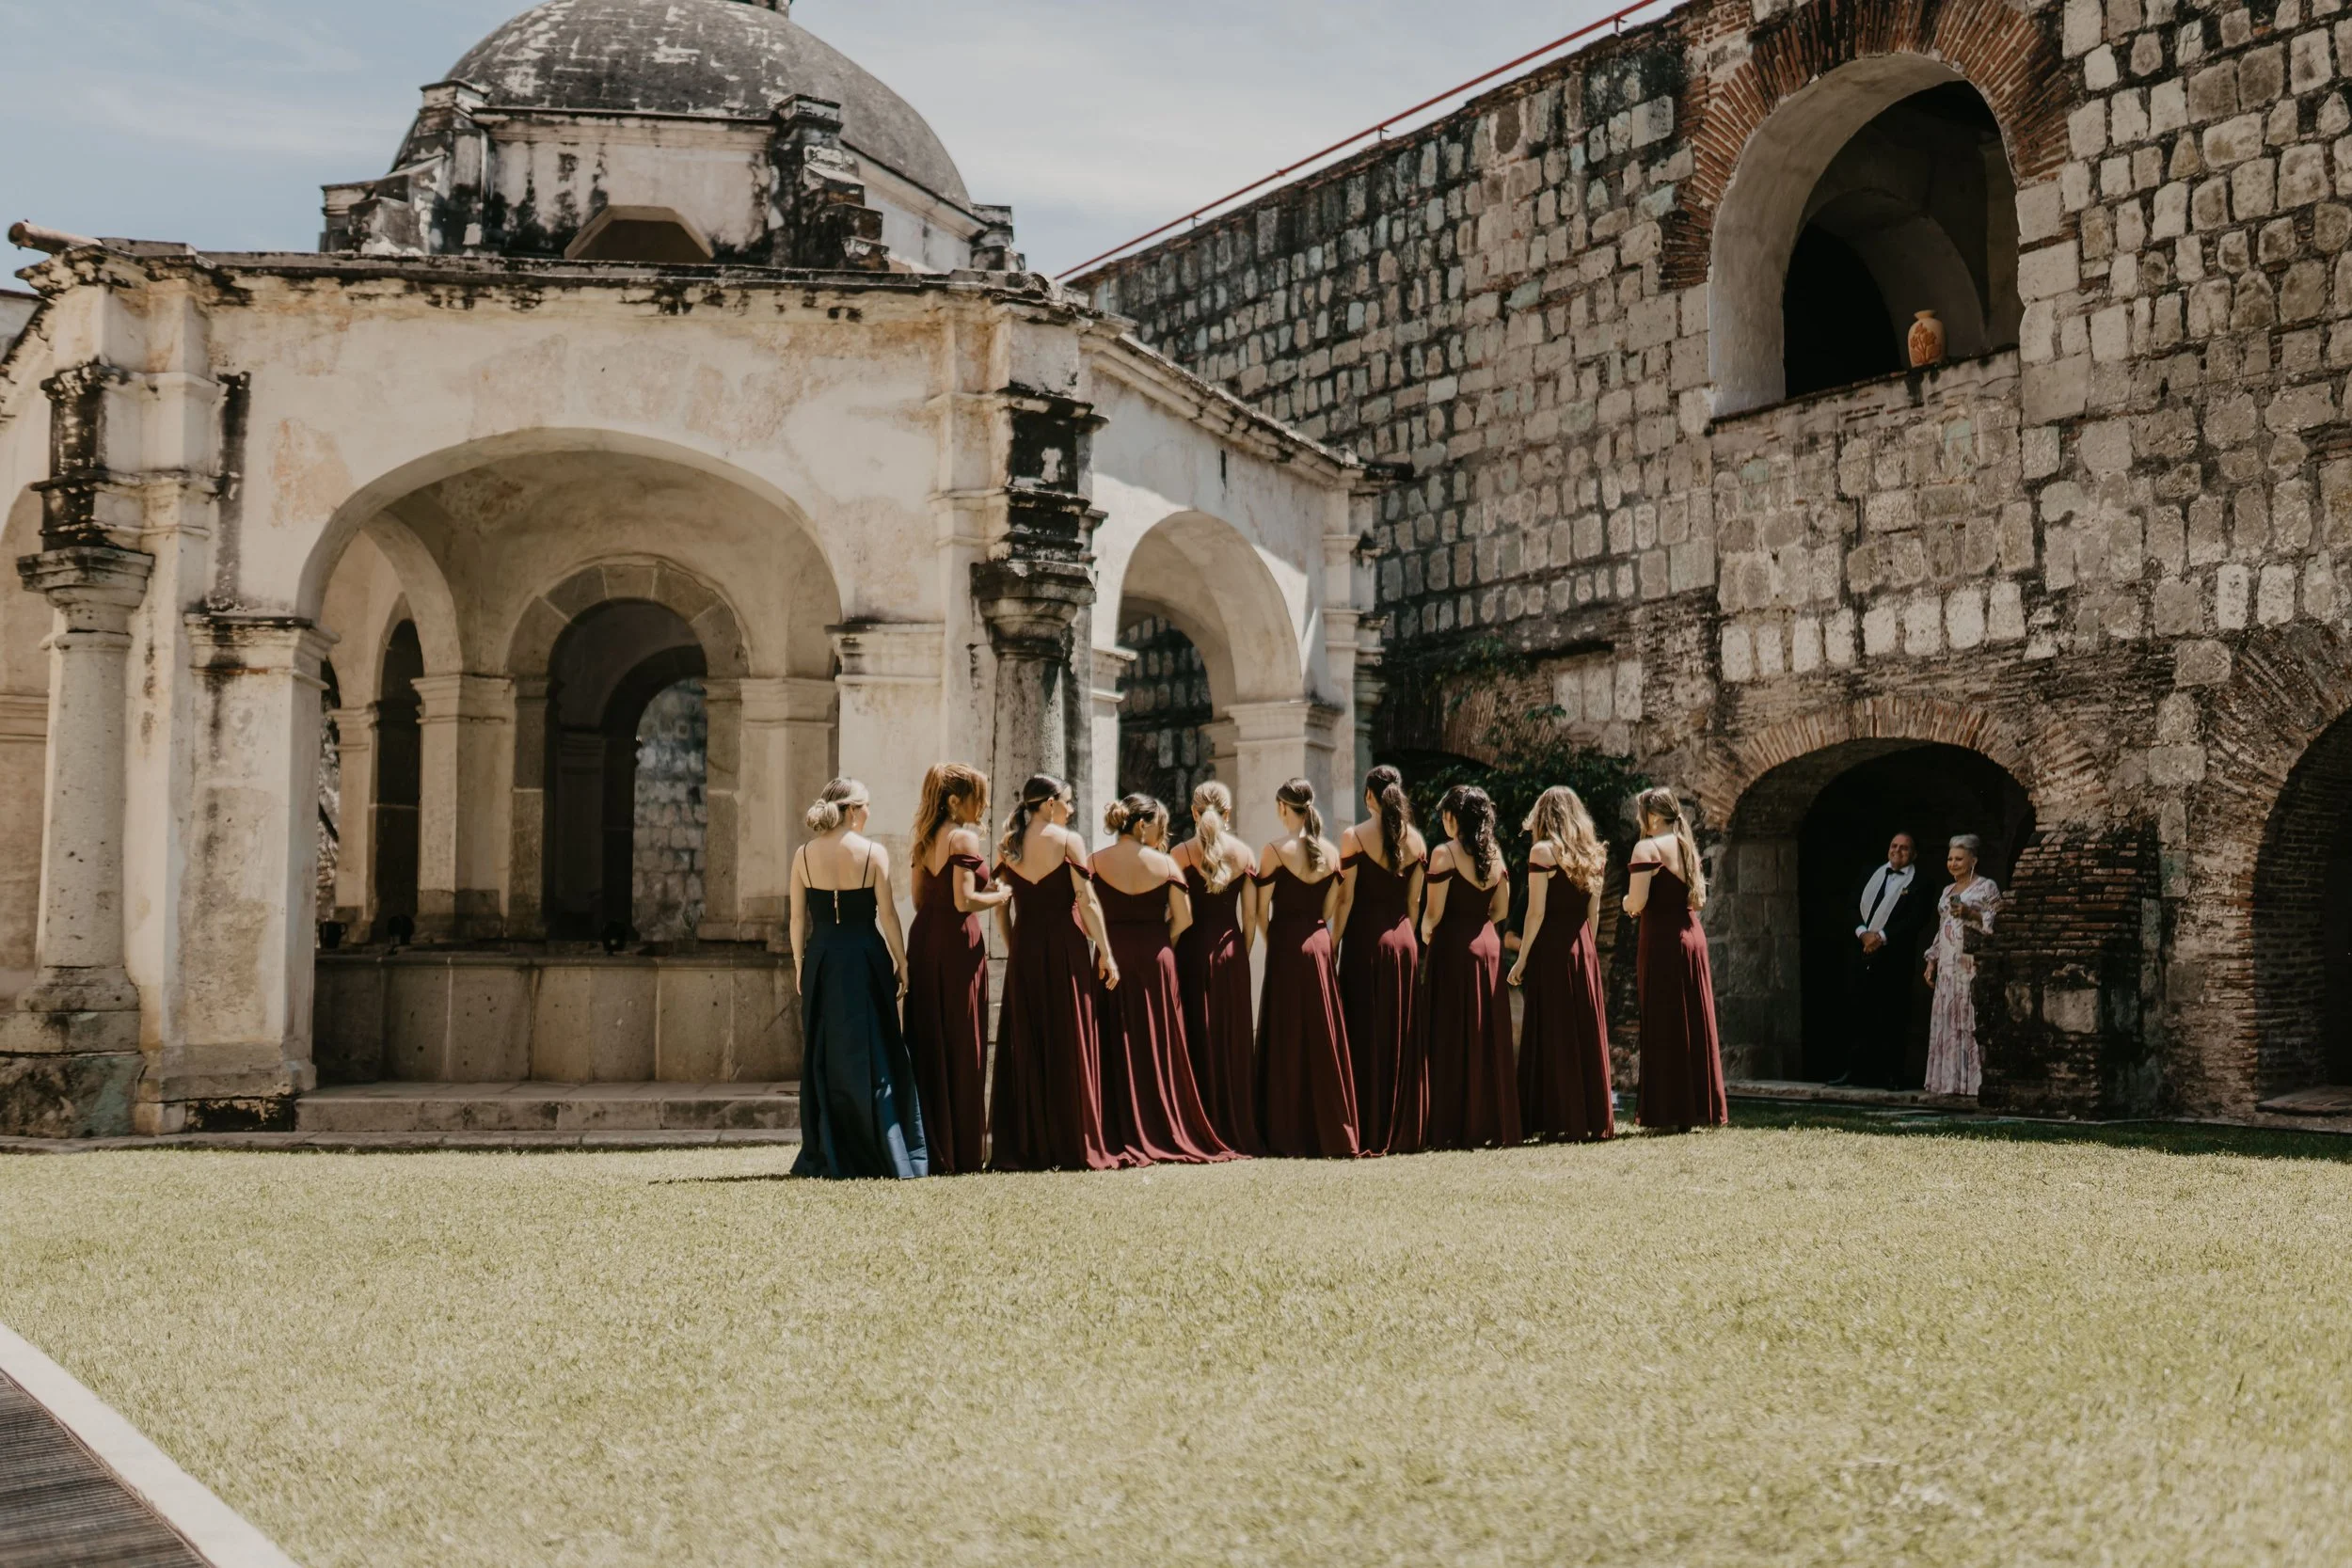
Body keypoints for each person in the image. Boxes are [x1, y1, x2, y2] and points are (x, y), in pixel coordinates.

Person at [1090, 796, 1244, 1164]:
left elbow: (1085, 911)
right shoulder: (1166, 864)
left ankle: (1111, 1127)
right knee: (1155, 1041)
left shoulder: (1095, 861)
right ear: (1142, 825)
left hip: (1111, 955)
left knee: (1112, 1038)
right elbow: (1184, 918)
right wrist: (1163, 940)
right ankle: (1159, 1122)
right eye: (1159, 824)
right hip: (1155, 959)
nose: (1163, 832)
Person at [788, 779, 930, 1180]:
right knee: (877, 1048)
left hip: (822, 958)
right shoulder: (873, 853)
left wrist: (799, 964)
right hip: (865, 957)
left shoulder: (803, 854)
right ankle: (882, 1145)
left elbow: (797, 919)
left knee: (825, 1051)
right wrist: (902, 961)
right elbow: (888, 916)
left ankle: (828, 1147)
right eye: (866, 805)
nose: (869, 812)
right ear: (851, 810)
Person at [989, 774, 1129, 1172]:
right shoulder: (1069, 841)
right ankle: (1072, 1141)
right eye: (1068, 801)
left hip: (1026, 948)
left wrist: (1015, 944)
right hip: (1065, 948)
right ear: (1050, 803)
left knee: (1028, 1037)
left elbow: (1000, 905)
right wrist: (1106, 953)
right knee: (1068, 1036)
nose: (1072, 808)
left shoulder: (1009, 845)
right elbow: (1087, 901)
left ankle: (1029, 1144)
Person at [903, 764, 1011, 1175]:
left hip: (924, 940)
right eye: (976, 797)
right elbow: (964, 900)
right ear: (954, 801)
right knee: (963, 1040)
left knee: (929, 1037)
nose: (982, 805)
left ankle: (929, 1144)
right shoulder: (962, 837)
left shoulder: (924, 837)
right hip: (957, 942)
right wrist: (1000, 895)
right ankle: (961, 1150)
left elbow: (919, 900)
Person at [1252, 778, 1362, 1157]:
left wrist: (1273, 939)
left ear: (1283, 808)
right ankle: (1327, 1127)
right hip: (1318, 946)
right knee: (1320, 1034)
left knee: (1285, 1033)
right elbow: (1329, 909)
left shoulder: (1272, 851)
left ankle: (1284, 1128)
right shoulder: (1331, 853)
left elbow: (1260, 909)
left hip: (1285, 943)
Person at [1417, 784, 1521, 1148]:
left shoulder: (1443, 854)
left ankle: (1449, 1122)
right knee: (1484, 1033)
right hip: (1488, 948)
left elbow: (1433, 914)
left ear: (1453, 817)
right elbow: (1502, 910)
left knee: (1450, 1031)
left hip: (1454, 948)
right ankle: (1486, 1120)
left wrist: (1426, 933)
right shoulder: (1495, 855)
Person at [1509, 785, 1614, 1142]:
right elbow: (1593, 913)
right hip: (1583, 948)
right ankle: (1587, 1116)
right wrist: (1587, 951)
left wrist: (1522, 959)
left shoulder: (1542, 851)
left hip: (1552, 951)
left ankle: (1554, 1116)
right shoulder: (1593, 853)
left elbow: (1535, 913)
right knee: (1581, 1030)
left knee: (1553, 1032)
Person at [1623, 786, 1728, 1132]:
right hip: (1692, 937)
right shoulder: (1687, 847)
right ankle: (1697, 1108)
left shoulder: (1647, 848)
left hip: (1662, 941)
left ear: (1652, 816)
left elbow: (1637, 902)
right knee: (1693, 1021)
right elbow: (1697, 901)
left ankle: (1667, 1111)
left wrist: (1626, 904)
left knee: (1664, 1021)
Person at [1334, 765, 1425, 1153]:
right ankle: (1400, 1125)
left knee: (1364, 1029)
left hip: (1365, 941)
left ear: (1369, 795)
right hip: (1404, 941)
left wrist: (1332, 943)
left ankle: (1367, 1125)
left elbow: (1345, 899)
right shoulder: (1417, 841)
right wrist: (1407, 940)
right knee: (1398, 1032)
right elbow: (1414, 903)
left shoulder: (1353, 837)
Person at [1170, 782, 1262, 1154]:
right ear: (1228, 814)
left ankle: (1196, 1123)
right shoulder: (1245, 854)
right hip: (1230, 951)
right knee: (1231, 1037)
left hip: (1191, 951)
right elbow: (1251, 917)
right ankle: (1234, 1121)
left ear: (1194, 813)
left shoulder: (1179, 854)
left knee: (1194, 1032)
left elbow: (1173, 913)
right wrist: (1240, 953)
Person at [1834, 832, 1933, 1089]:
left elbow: (1916, 918)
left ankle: (1892, 1075)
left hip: (1894, 957)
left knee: (1892, 1015)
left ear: (1914, 854)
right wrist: (1863, 934)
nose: (1897, 851)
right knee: (1858, 1012)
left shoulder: (1920, 882)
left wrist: (1882, 937)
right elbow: (1852, 906)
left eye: (1904, 848)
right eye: (1894, 845)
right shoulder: (1870, 872)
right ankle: (1854, 1071)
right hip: (1861, 951)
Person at [1925, 833, 2002, 1098]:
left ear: (1973, 860)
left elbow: (1999, 919)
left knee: (1968, 1020)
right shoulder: (1947, 891)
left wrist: (1972, 914)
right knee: (1948, 1022)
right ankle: (1949, 1083)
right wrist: (1932, 960)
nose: (1953, 863)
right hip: (1947, 966)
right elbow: (1942, 928)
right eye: (1950, 859)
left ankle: (1973, 1084)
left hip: (1969, 963)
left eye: (1959, 859)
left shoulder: (1986, 886)